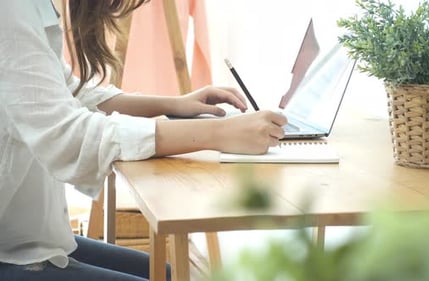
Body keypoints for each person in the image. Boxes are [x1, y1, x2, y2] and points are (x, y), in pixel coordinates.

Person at [0, 0, 287, 280]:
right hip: (11, 252)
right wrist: (219, 133)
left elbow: (69, 91)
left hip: (26, 238)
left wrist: (173, 104)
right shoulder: (10, 10)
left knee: (170, 275)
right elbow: (68, 135)